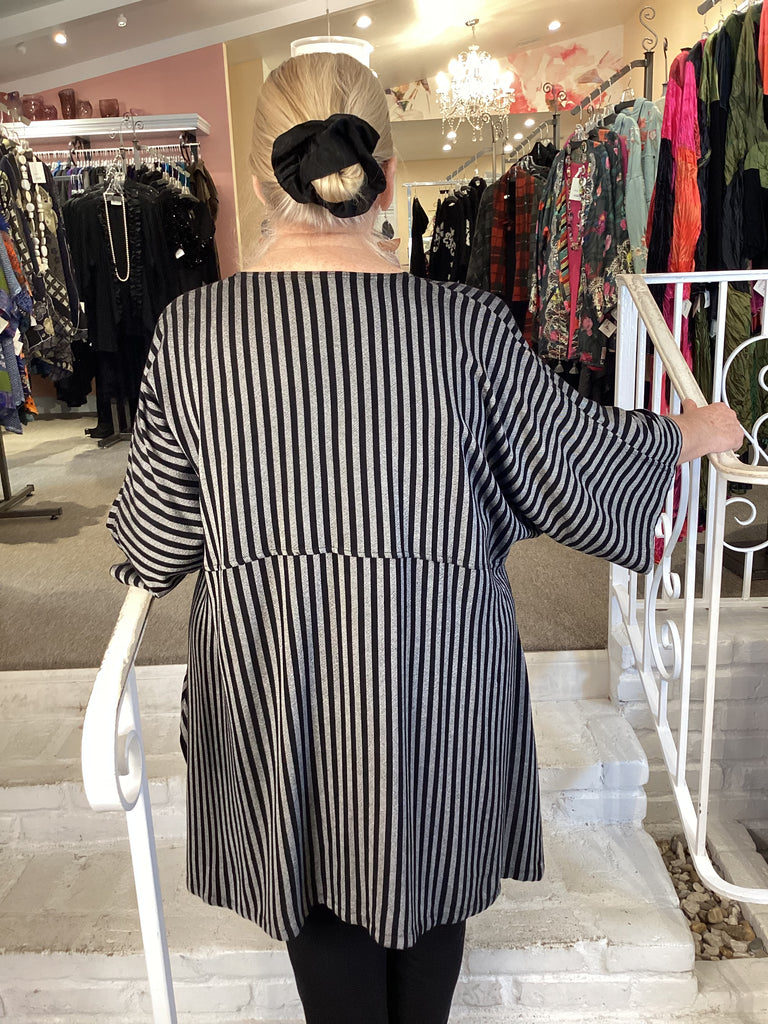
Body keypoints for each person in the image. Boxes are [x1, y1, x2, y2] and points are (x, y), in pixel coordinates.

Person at [106, 52, 743, 1024]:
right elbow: (571, 460)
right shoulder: (465, 326)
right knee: (434, 877)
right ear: (386, 176)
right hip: (436, 670)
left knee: (314, 892)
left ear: (266, 179)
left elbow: (155, 541)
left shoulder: (193, 333)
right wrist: (687, 433)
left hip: (277, 674)